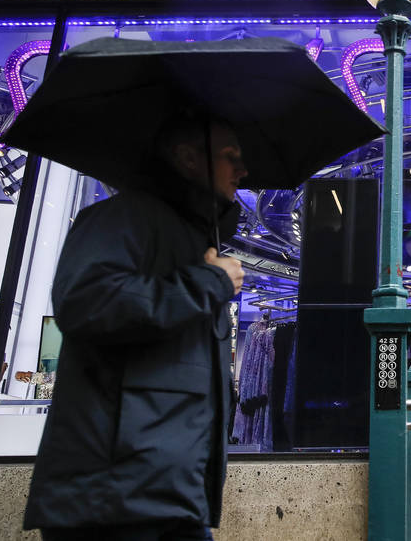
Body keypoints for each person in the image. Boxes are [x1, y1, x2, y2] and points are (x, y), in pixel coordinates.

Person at [23, 115, 248, 541]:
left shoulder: (191, 239)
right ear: (187, 158)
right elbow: (85, 302)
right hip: (113, 503)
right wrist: (209, 282)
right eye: (230, 156)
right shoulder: (123, 218)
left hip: (165, 498)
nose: (243, 170)